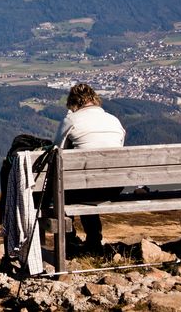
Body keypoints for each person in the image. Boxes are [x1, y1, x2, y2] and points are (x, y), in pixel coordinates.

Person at [54, 83, 125, 253]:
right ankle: (94, 240)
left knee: (66, 192)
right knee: (87, 184)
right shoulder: (113, 120)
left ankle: (69, 240)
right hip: (113, 187)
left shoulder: (71, 120)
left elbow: (57, 151)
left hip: (84, 187)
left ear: (73, 102)